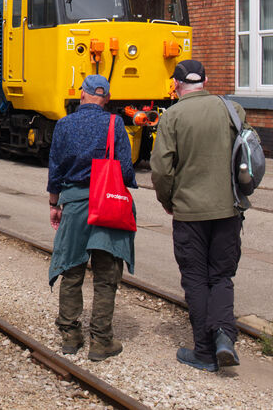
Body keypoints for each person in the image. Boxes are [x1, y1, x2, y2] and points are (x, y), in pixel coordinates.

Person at [150, 59, 248, 372]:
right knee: (221, 275)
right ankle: (223, 337)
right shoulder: (233, 110)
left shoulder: (172, 117)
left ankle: (204, 352)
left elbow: (162, 170)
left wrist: (167, 200)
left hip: (190, 212)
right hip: (228, 209)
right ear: (204, 81)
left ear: (177, 84)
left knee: (195, 277)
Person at [47, 74, 136, 361]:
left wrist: (54, 202)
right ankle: (101, 341)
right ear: (106, 98)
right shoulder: (115, 123)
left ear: (82, 94)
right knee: (106, 274)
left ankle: (71, 336)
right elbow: (125, 169)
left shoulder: (64, 124)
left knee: (71, 271)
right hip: (107, 205)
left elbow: (56, 168)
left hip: (73, 205)